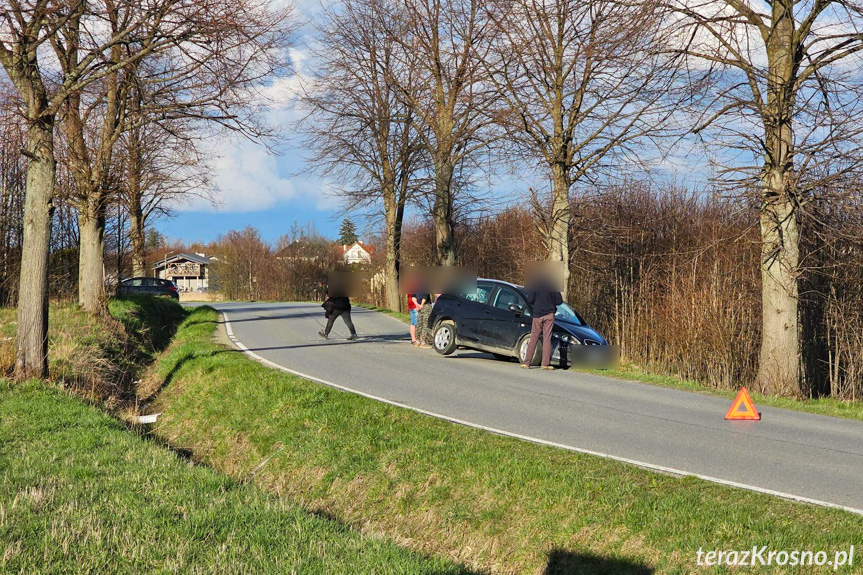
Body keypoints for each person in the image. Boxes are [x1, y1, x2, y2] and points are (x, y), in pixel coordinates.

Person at [521, 286, 563, 370]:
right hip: (549, 314)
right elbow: (559, 301)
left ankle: (527, 363)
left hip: (537, 314)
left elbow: (530, 300)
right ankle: (545, 364)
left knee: (533, 338)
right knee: (547, 339)